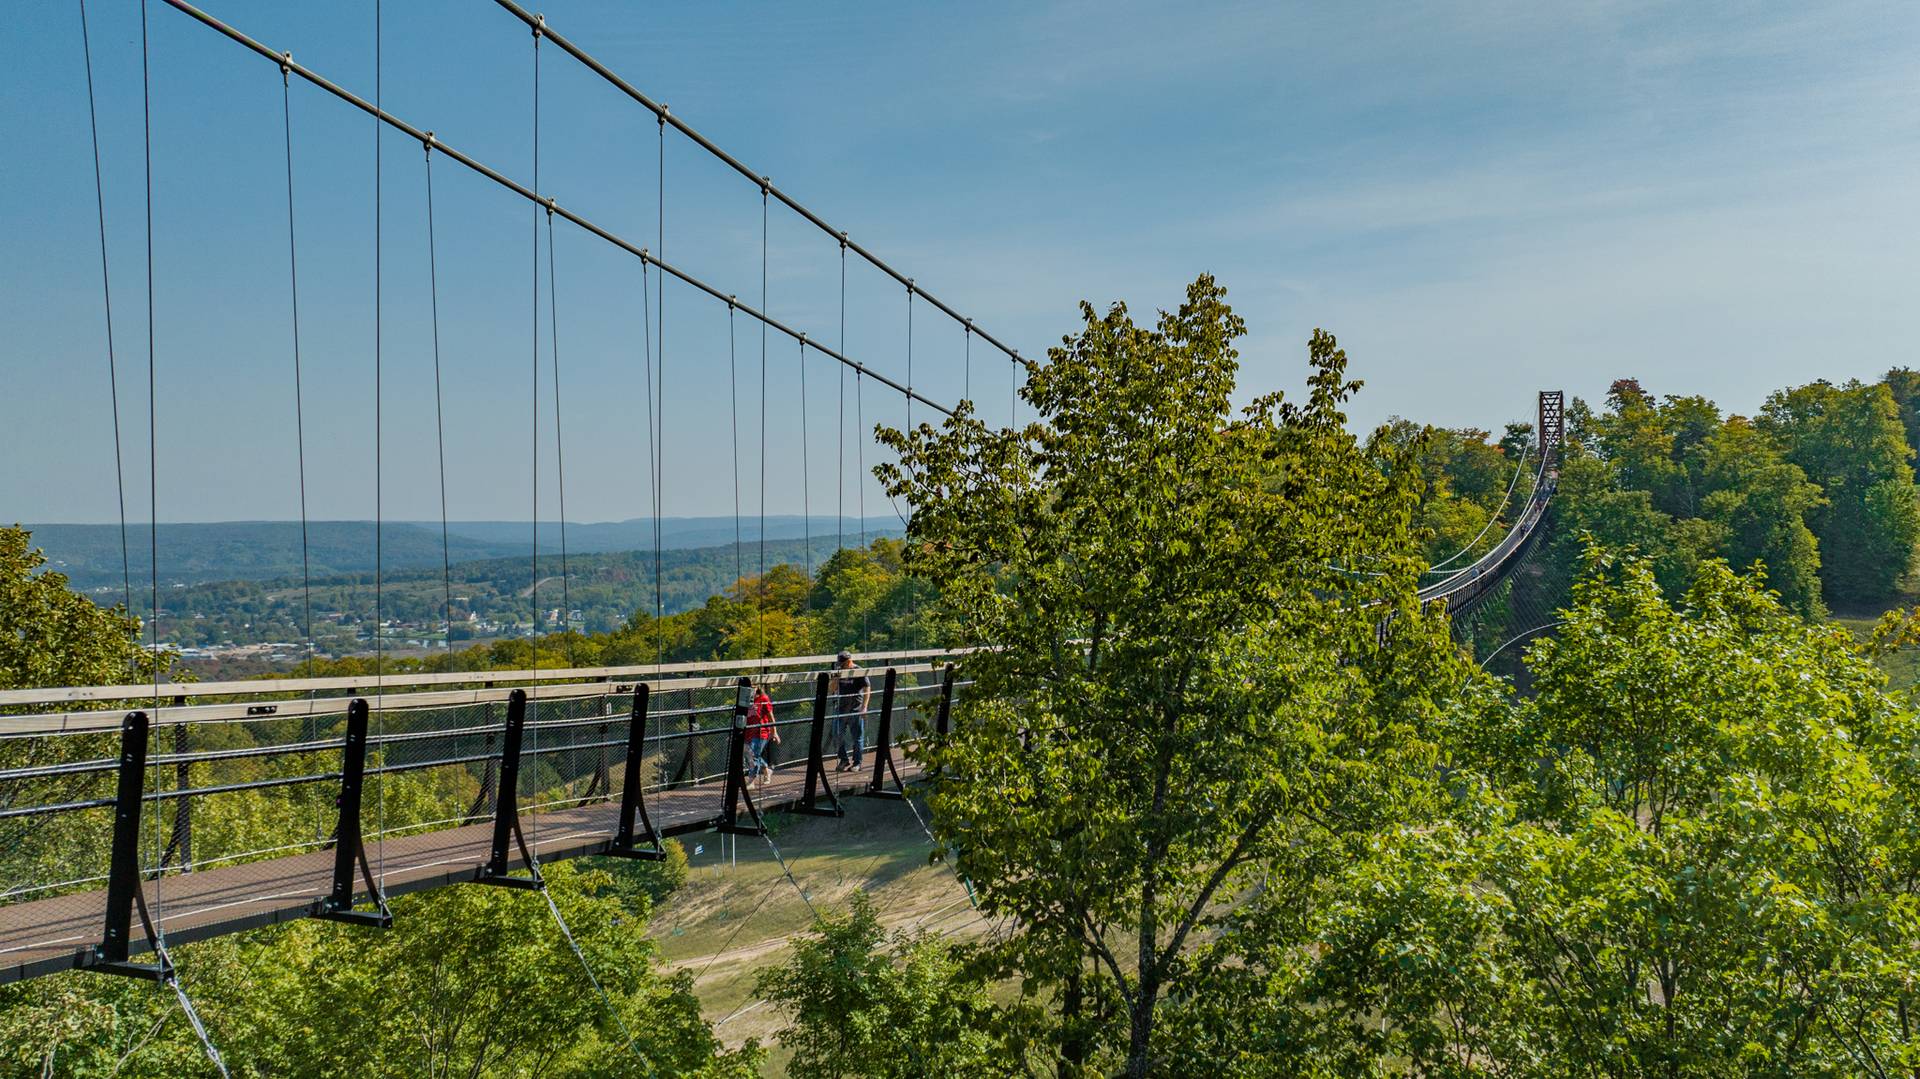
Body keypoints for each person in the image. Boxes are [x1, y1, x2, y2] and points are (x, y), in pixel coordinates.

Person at [829, 650, 871, 772]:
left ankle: (857, 763)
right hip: (841, 708)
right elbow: (831, 689)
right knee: (837, 734)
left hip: (855, 708)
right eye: (839, 664)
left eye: (842, 664)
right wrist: (836, 678)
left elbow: (867, 688)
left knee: (857, 737)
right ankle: (844, 760)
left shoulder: (858, 670)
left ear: (849, 661)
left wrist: (864, 707)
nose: (840, 666)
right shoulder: (839, 671)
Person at [747, 682, 779, 789]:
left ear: (757, 687)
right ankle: (767, 770)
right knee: (753, 754)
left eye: (752, 687)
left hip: (762, 732)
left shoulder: (764, 698)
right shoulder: (746, 700)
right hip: (749, 732)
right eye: (748, 687)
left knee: (753, 755)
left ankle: (751, 781)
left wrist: (774, 732)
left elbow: (771, 716)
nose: (750, 689)